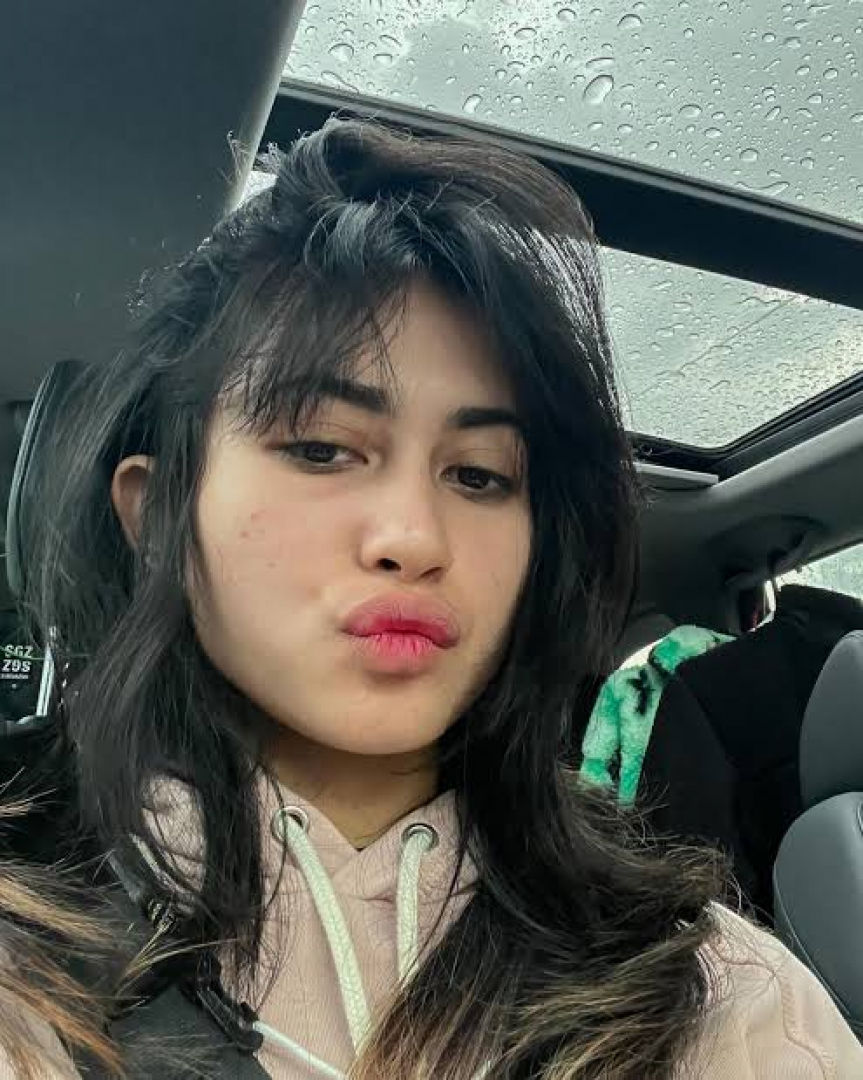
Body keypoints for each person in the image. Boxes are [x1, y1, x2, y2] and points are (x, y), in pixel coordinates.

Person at [0, 117, 859, 1079]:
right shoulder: (26, 938)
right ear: (158, 514)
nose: (413, 539)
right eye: (321, 449)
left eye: (480, 475)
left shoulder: (717, 996)